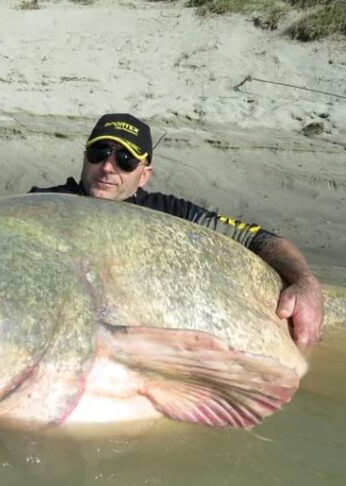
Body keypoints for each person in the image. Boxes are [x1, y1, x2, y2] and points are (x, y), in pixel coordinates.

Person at [30, 113, 324, 349]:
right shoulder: (41, 205)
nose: (108, 167)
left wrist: (305, 282)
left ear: (143, 175)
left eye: (125, 160)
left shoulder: (170, 212)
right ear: (85, 158)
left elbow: (256, 238)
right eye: (99, 152)